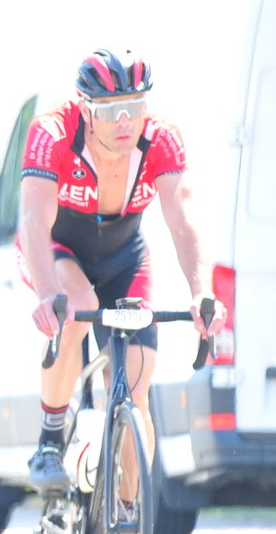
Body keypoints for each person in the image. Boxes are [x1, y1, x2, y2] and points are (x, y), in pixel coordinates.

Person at [17, 50, 222, 495]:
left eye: (135, 106)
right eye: (111, 111)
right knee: (77, 307)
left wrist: (201, 292)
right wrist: (47, 295)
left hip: (123, 255)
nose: (125, 121)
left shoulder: (161, 136)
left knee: (135, 385)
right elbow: (33, 220)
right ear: (86, 109)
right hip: (59, 247)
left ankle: (128, 513)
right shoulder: (52, 131)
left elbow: (183, 218)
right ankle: (50, 439)